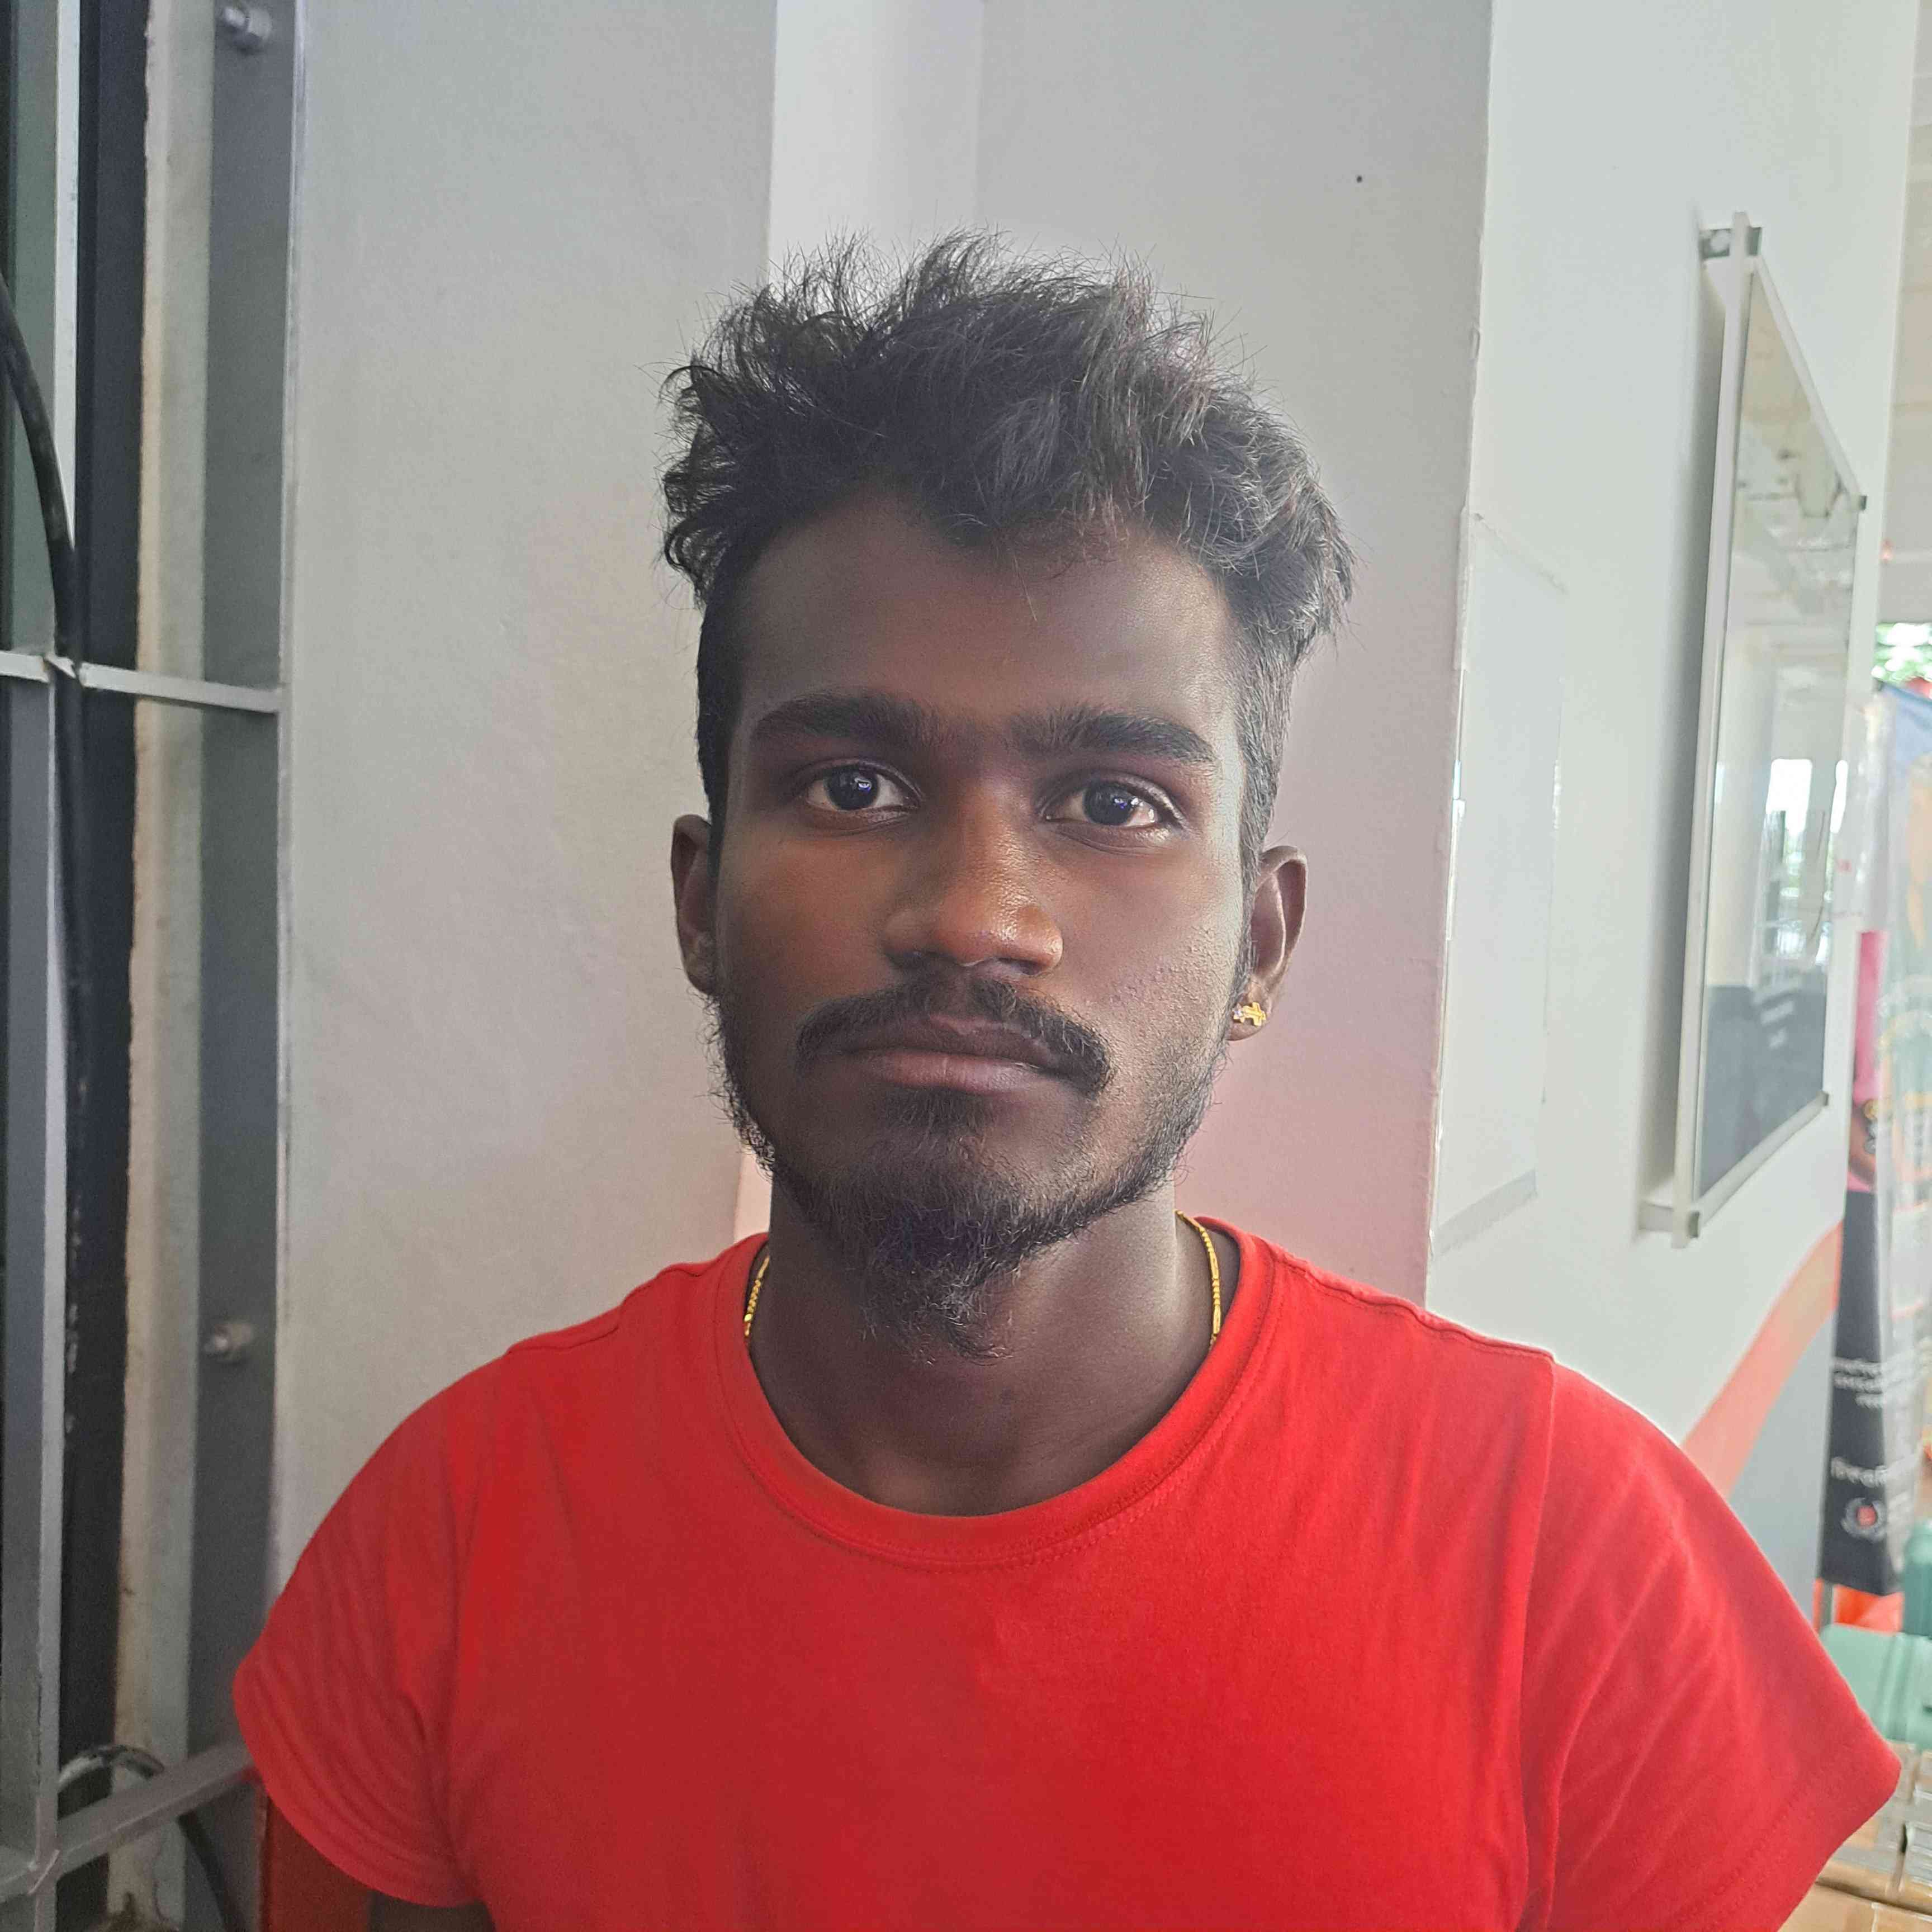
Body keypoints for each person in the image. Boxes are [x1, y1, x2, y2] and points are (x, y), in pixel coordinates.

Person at [235, 236, 1893, 1930]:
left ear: (1260, 940)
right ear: (699, 904)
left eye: (1114, 803)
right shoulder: (457, 1532)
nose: (976, 916)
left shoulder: (1576, 1567)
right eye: (854, 784)